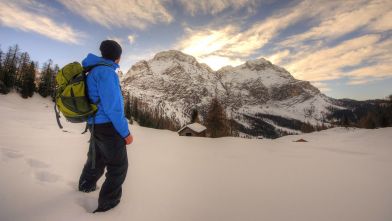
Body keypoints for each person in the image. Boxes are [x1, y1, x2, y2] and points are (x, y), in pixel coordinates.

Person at [78, 40, 133, 213]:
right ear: (117, 57)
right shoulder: (107, 73)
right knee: (118, 167)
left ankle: (85, 186)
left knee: (97, 158)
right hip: (108, 126)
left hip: (95, 124)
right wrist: (125, 133)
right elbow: (113, 108)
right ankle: (108, 205)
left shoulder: (93, 69)